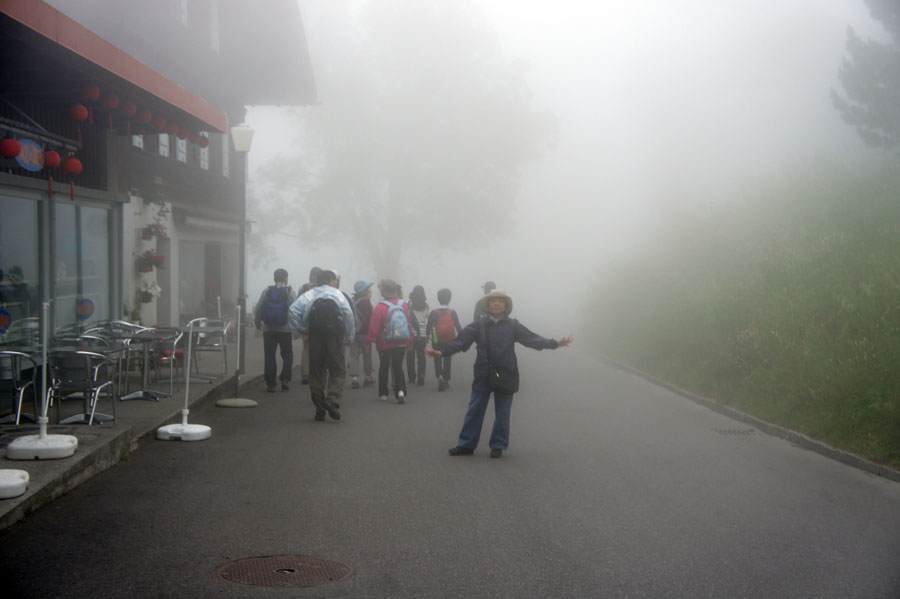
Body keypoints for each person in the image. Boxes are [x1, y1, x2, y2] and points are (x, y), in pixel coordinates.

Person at [427, 288, 573, 458]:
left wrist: (555, 343)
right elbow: (461, 341)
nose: (496, 303)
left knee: (503, 412)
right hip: (483, 372)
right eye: (493, 300)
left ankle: (498, 445)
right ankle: (466, 444)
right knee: (475, 409)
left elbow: (532, 339)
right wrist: (442, 352)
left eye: (500, 301)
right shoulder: (479, 325)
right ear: (487, 304)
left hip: (505, 373)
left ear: (506, 305)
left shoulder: (512, 326)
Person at [288, 269, 355, 421]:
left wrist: (299, 330)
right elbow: (349, 314)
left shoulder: (310, 294)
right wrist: (350, 335)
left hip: (315, 335)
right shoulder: (338, 294)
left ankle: (319, 408)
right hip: (335, 337)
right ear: (331, 281)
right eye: (335, 280)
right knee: (338, 371)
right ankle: (332, 400)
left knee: (317, 372)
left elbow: (292, 310)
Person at [366, 279, 414, 404]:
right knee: (398, 367)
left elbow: (375, 326)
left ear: (383, 292)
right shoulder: (403, 305)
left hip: (384, 342)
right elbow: (409, 323)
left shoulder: (380, 307)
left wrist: (370, 339)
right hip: (401, 341)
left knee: (384, 366)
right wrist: (410, 340)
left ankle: (383, 393)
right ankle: (401, 391)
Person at [253, 268, 297, 392]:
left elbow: (259, 307)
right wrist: (296, 328)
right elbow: (295, 311)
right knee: (287, 354)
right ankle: (285, 379)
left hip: (268, 329)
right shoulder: (291, 292)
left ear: (274, 279)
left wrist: (257, 322)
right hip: (285, 330)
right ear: (286, 279)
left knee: (270, 355)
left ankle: (271, 383)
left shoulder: (267, 291)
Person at [425, 288, 462, 391]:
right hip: (450, 339)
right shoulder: (452, 312)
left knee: (437, 358)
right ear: (449, 299)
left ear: (438, 299)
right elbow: (458, 326)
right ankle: (446, 379)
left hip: (436, 338)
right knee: (447, 358)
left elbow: (428, 326)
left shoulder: (434, 312)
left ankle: (439, 375)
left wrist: (427, 335)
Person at [349, 280, 375, 389]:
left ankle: (355, 378)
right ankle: (368, 377)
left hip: (353, 333)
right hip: (365, 333)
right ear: (363, 291)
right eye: (367, 289)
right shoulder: (366, 302)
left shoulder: (351, 301)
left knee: (354, 356)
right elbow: (370, 319)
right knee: (367, 355)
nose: (369, 291)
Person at [298, 266, 321, 385]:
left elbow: (298, 305)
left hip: (305, 322)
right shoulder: (323, 288)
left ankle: (305, 374)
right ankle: (317, 372)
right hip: (320, 322)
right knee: (320, 348)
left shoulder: (303, 288)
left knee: (306, 348)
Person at [405, 285, 429, 386]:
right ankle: (421, 376)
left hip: (411, 334)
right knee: (421, 356)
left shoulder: (409, 304)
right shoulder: (426, 306)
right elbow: (427, 321)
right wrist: (428, 335)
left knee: (410, 356)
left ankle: (411, 377)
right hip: (422, 334)